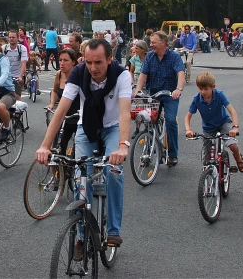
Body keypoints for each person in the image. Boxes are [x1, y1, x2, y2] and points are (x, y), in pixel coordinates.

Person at [35, 38, 131, 249]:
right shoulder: (79, 73)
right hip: (85, 127)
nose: (93, 68)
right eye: (88, 62)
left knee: (114, 171)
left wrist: (123, 145)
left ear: (110, 59)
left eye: (98, 63)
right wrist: (45, 145)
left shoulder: (122, 75)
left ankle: (114, 230)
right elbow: (61, 111)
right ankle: (81, 236)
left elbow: (125, 113)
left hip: (112, 127)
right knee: (80, 179)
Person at [135, 31, 185, 167]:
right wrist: (138, 90)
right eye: (150, 42)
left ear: (163, 42)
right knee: (148, 120)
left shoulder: (174, 57)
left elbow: (181, 74)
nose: (150, 45)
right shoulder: (150, 56)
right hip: (153, 94)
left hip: (169, 95)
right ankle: (149, 149)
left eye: (153, 42)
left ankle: (173, 154)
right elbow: (143, 75)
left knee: (170, 120)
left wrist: (178, 90)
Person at [184, 72, 243, 172]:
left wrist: (235, 127)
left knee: (232, 145)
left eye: (206, 89)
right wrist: (188, 130)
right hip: (208, 127)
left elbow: (232, 112)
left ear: (213, 87)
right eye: (200, 89)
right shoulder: (197, 99)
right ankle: (208, 180)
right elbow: (188, 117)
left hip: (223, 123)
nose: (203, 92)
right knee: (207, 159)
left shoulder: (219, 95)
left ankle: (238, 158)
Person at [48, 48, 80, 155]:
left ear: (73, 62)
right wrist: (52, 104)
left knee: (79, 151)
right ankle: (61, 170)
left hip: (78, 117)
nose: (62, 63)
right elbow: (55, 91)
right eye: (60, 60)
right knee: (57, 150)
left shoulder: (78, 75)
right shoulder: (59, 74)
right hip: (64, 117)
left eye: (65, 60)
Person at [3, 30, 28, 99]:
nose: (11, 39)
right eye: (10, 37)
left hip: (17, 76)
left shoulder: (22, 48)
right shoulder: (4, 48)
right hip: (5, 76)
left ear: (17, 38)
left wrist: (20, 76)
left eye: (13, 37)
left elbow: (23, 63)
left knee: (17, 97)